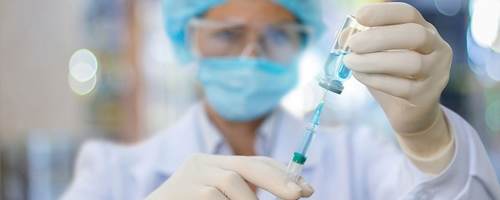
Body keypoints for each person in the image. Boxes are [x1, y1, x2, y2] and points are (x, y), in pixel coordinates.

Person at [62, 0, 500, 199]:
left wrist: (429, 138)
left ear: (304, 43)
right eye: (228, 34)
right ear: (187, 40)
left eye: (276, 35)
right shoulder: (111, 173)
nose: (251, 54)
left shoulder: (359, 158)